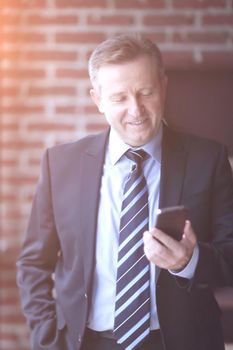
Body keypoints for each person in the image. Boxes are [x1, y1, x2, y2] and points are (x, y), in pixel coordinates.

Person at [16, 33, 233, 350]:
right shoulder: (59, 164)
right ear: (98, 100)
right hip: (87, 343)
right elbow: (34, 263)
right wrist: (46, 338)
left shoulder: (209, 160)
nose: (136, 110)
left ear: (164, 87)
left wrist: (189, 260)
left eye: (145, 92)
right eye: (119, 98)